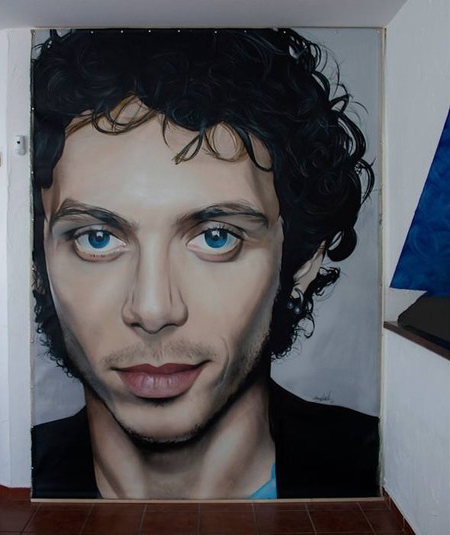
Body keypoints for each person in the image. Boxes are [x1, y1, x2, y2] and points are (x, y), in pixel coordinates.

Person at [31, 28, 379, 500]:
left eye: (217, 237)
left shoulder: (383, 468)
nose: (153, 310)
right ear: (38, 268)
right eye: (97, 238)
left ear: (302, 262)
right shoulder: (18, 470)